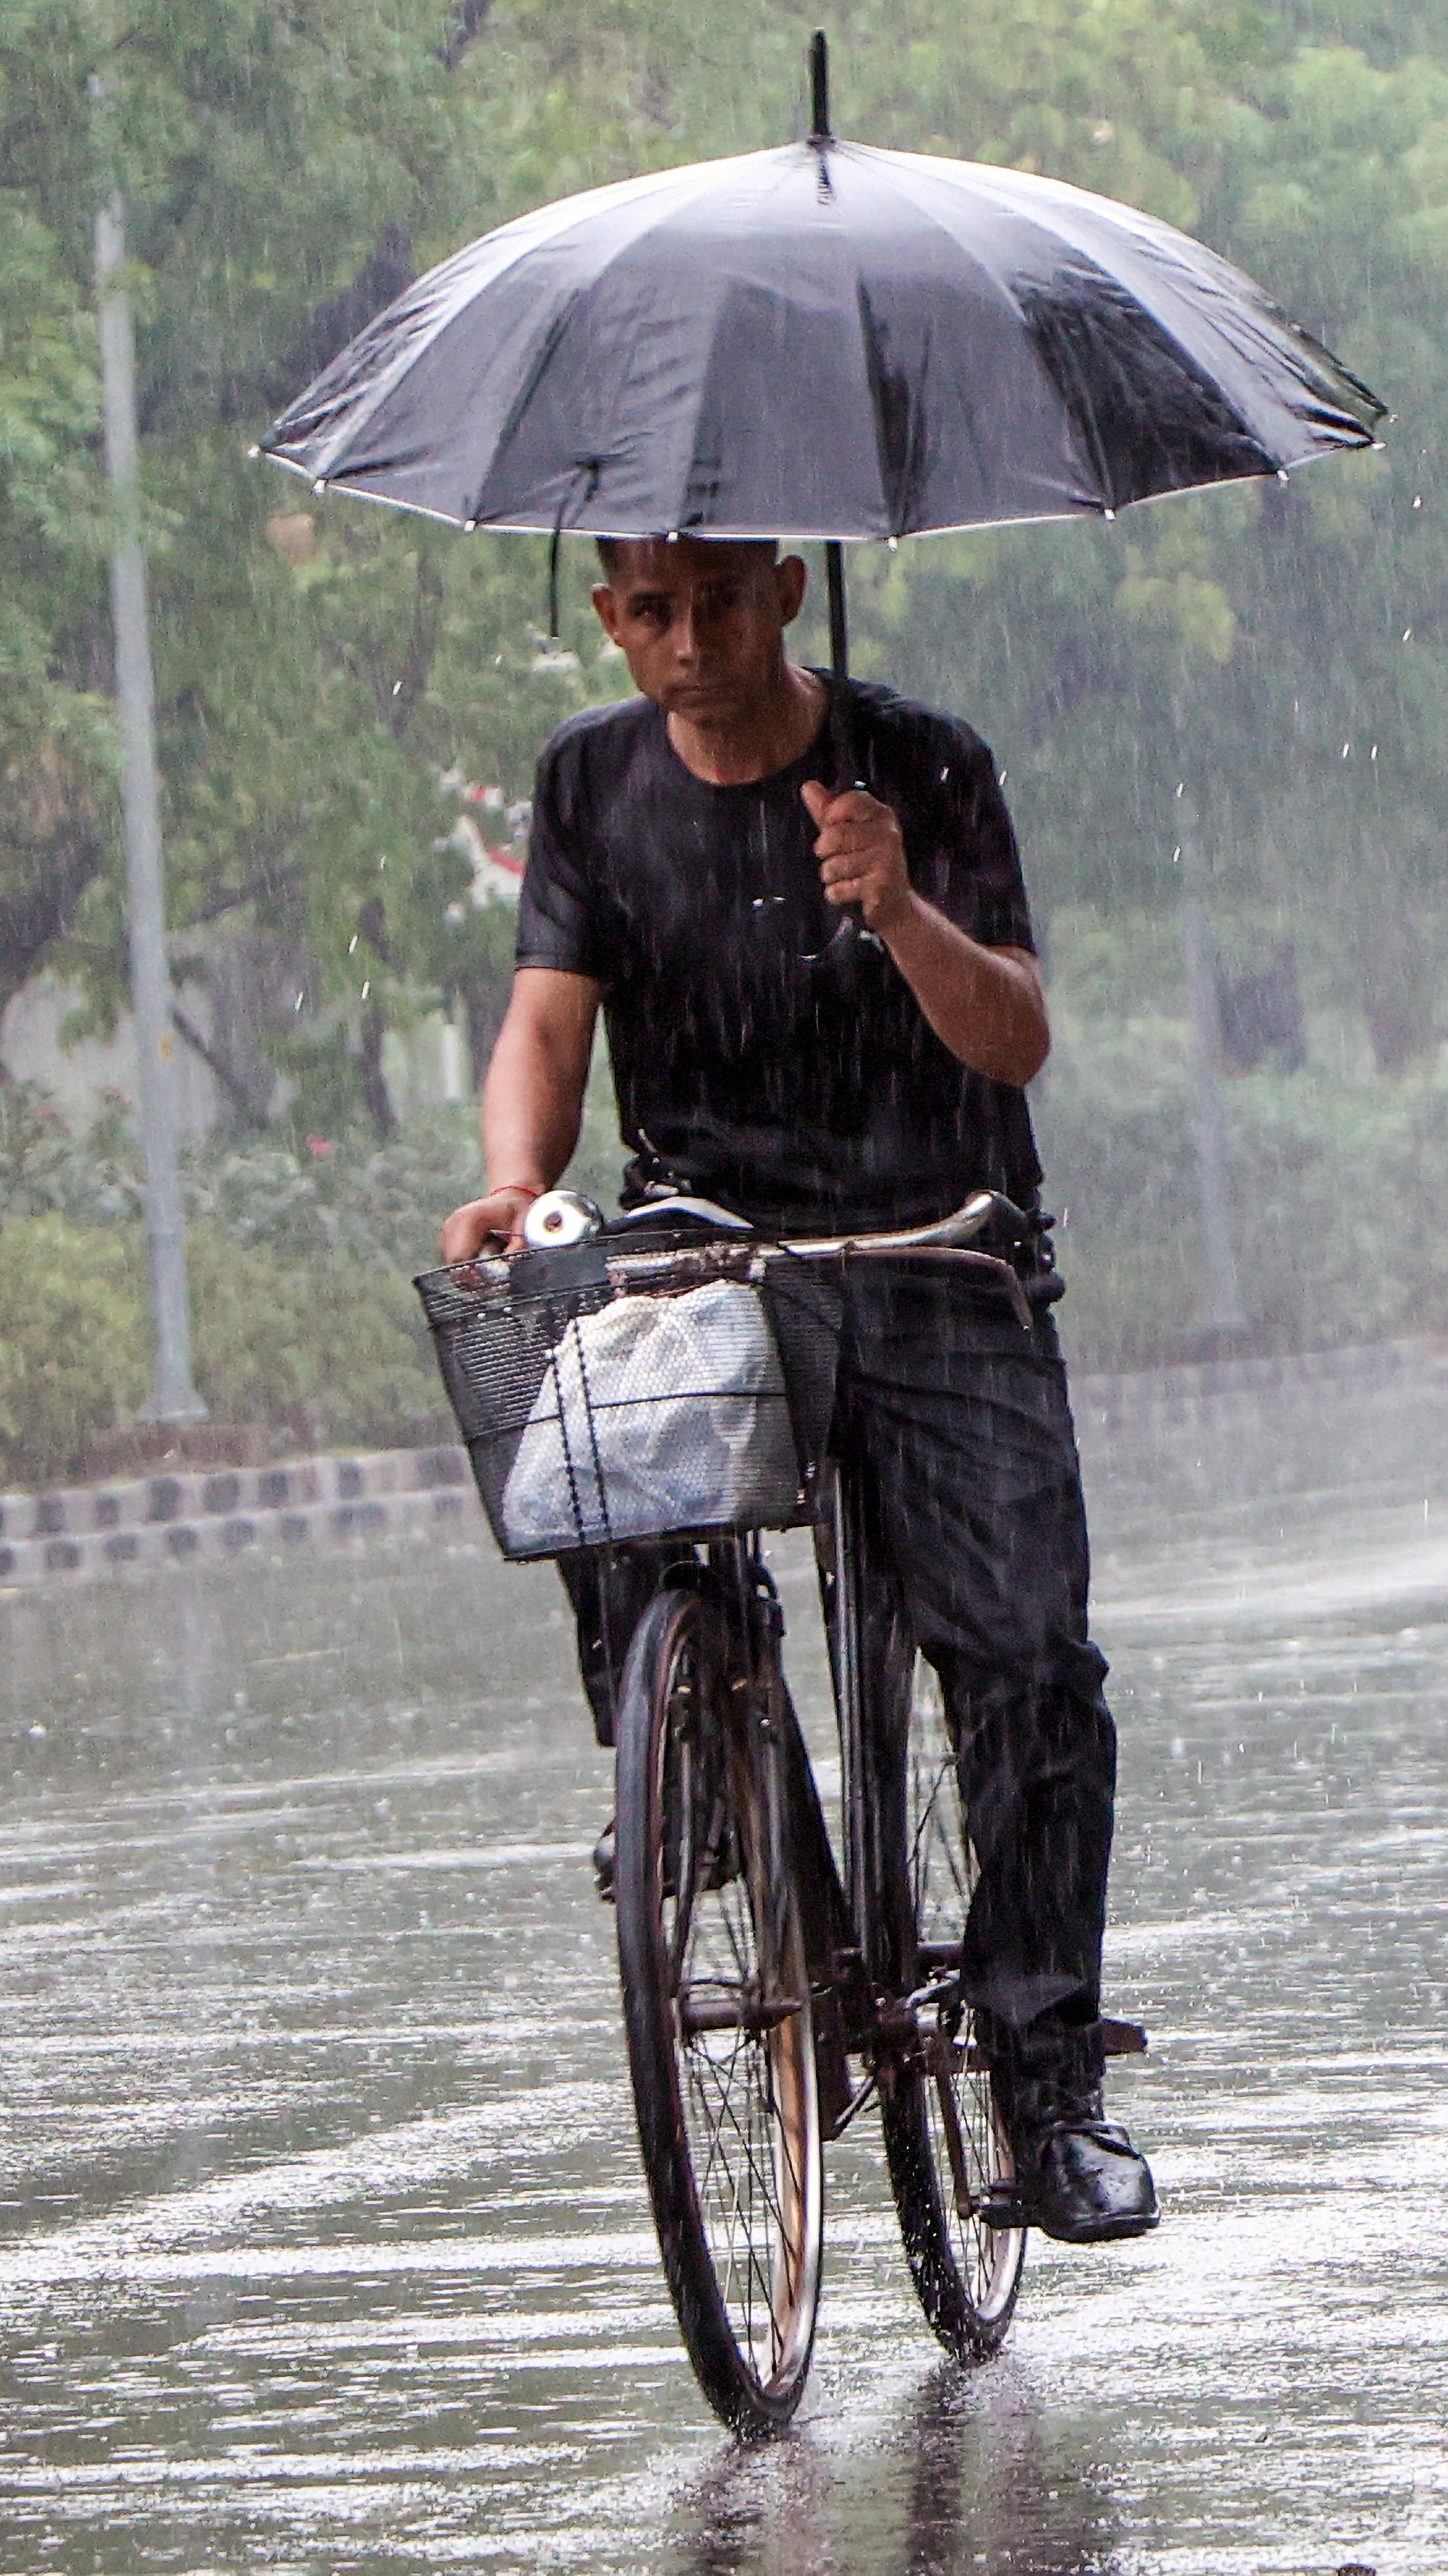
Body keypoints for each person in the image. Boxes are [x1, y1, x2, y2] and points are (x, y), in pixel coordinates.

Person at [439, 535, 1157, 2246]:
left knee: (1029, 1663)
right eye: (652, 614)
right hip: (716, 1260)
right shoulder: (588, 783)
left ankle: (1047, 2084)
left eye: (723, 604)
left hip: (934, 1247)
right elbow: (547, 1024)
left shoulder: (924, 764)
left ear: (788, 594)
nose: (692, 647)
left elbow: (1018, 1040)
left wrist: (898, 905)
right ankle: (690, 1776)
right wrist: (511, 1175)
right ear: (613, 617)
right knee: (595, 1452)